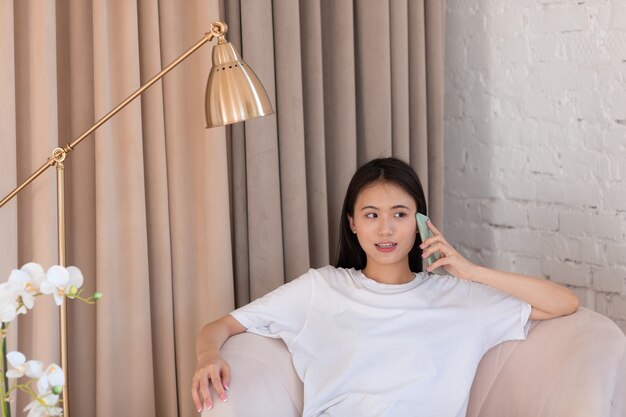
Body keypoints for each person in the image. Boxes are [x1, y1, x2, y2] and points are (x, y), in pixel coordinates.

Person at [192, 157, 579, 417]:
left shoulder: (460, 299)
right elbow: (222, 326)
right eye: (371, 215)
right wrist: (208, 356)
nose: (385, 229)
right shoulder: (319, 290)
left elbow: (563, 303)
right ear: (353, 223)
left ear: (419, 222)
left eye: (399, 214)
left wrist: (471, 271)